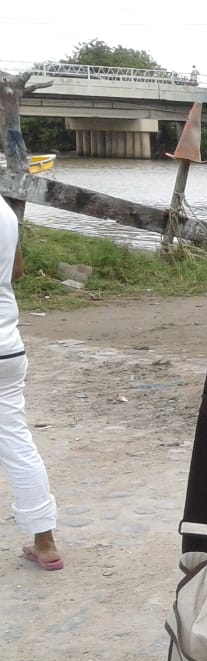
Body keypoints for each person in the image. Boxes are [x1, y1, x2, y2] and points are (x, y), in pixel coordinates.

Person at [0, 198, 62, 572]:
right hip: (7, 347)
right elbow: (17, 270)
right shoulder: (5, 212)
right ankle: (45, 542)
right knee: (17, 441)